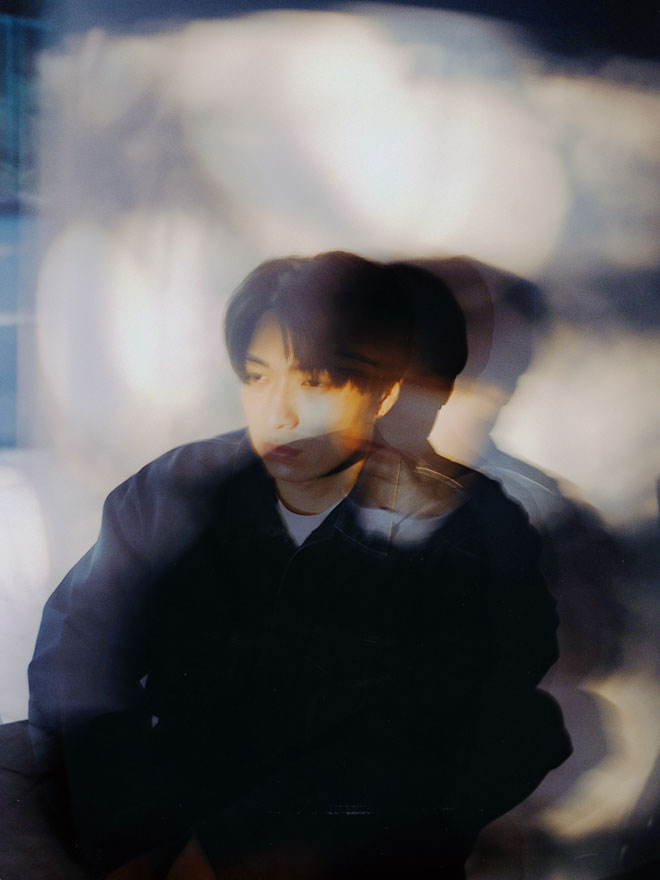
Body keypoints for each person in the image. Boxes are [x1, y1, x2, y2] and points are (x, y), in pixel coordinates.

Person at [27, 251, 570, 879]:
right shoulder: (171, 492)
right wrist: (128, 840)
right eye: (257, 377)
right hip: (160, 826)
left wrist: (239, 851)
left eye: (314, 382)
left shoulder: (474, 525)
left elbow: (458, 731)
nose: (279, 413)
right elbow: (80, 661)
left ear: (386, 391)